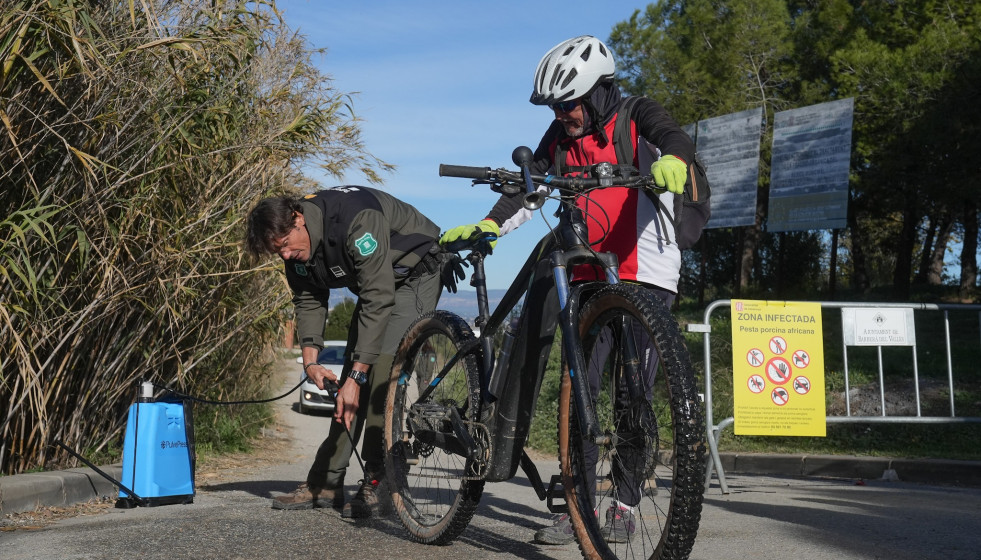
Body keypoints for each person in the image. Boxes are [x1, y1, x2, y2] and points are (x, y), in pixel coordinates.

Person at [440, 35, 699, 545]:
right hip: (584, 273)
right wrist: (491, 225)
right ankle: (578, 502)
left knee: (634, 394)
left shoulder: (634, 114)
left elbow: (674, 138)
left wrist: (673, 159)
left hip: (644, 269)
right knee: (580, 390)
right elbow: (527, 184)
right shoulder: (558, 138)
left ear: (601, 91)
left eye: (569, 104)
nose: (562, 114)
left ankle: (623, 503)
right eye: (555, 107)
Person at [246, 186, 462, 518]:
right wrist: (311, 362)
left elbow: (378, 297)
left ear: (297, 218)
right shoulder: (295, 246)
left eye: (286, 245)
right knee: (347, 385)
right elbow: (307, 299)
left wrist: (358, 376)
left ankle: (380, 482)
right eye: (278, 252)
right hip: (379, 282)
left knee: (378, 378)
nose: (285, 256)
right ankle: (326, 482)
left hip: (415, 273)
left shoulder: (355, 219)